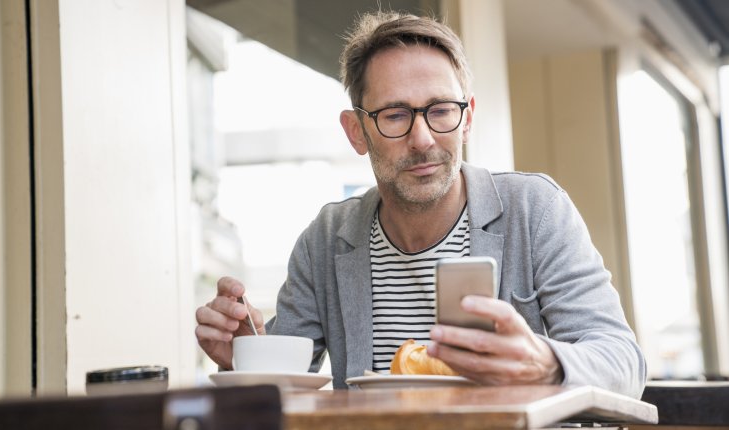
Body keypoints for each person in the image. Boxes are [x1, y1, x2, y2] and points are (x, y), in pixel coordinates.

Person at [195, 10, 647, 398]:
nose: (423, 139)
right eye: (395, 115)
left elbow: (624, 362)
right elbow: (282, 386)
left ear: (467, 117)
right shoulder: (326, 240)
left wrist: (545, 362)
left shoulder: (534, 209)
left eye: (440, 110)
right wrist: (244, 356)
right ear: (356, 132)